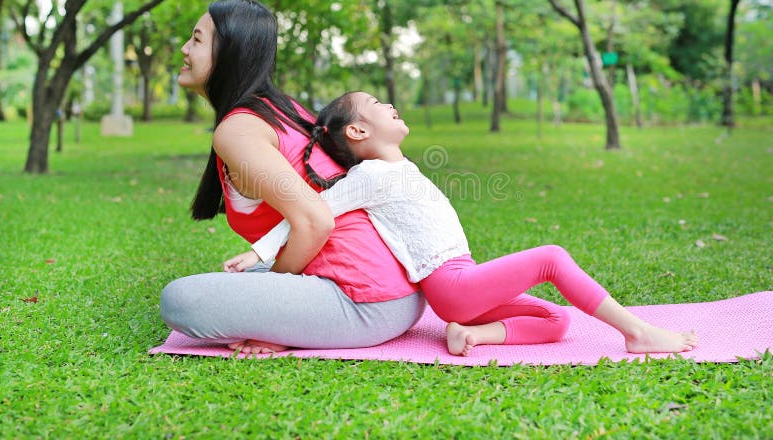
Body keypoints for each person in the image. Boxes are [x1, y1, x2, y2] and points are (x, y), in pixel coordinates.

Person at [225, 91, 699, 357]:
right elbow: (315, 209)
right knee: (552, 258)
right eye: (375, 102)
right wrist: (260, 252)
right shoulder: (369, 176)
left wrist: (467, 322)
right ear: (358, 131)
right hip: (452, 283)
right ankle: (636, 332)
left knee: (557, 319)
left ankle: (468, 336)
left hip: (463, 286)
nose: (390, 103)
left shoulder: (397, 170)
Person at [159, 0, 426, 354]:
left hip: (365, 302)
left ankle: (290, 323)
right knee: (239, 277)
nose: (185, 49)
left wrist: (276, 315)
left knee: (179, 299)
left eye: (196, 40)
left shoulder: (239, 129)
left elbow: (315, 221)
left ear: (229, 53)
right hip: (397, 292)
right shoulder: (280, 110)